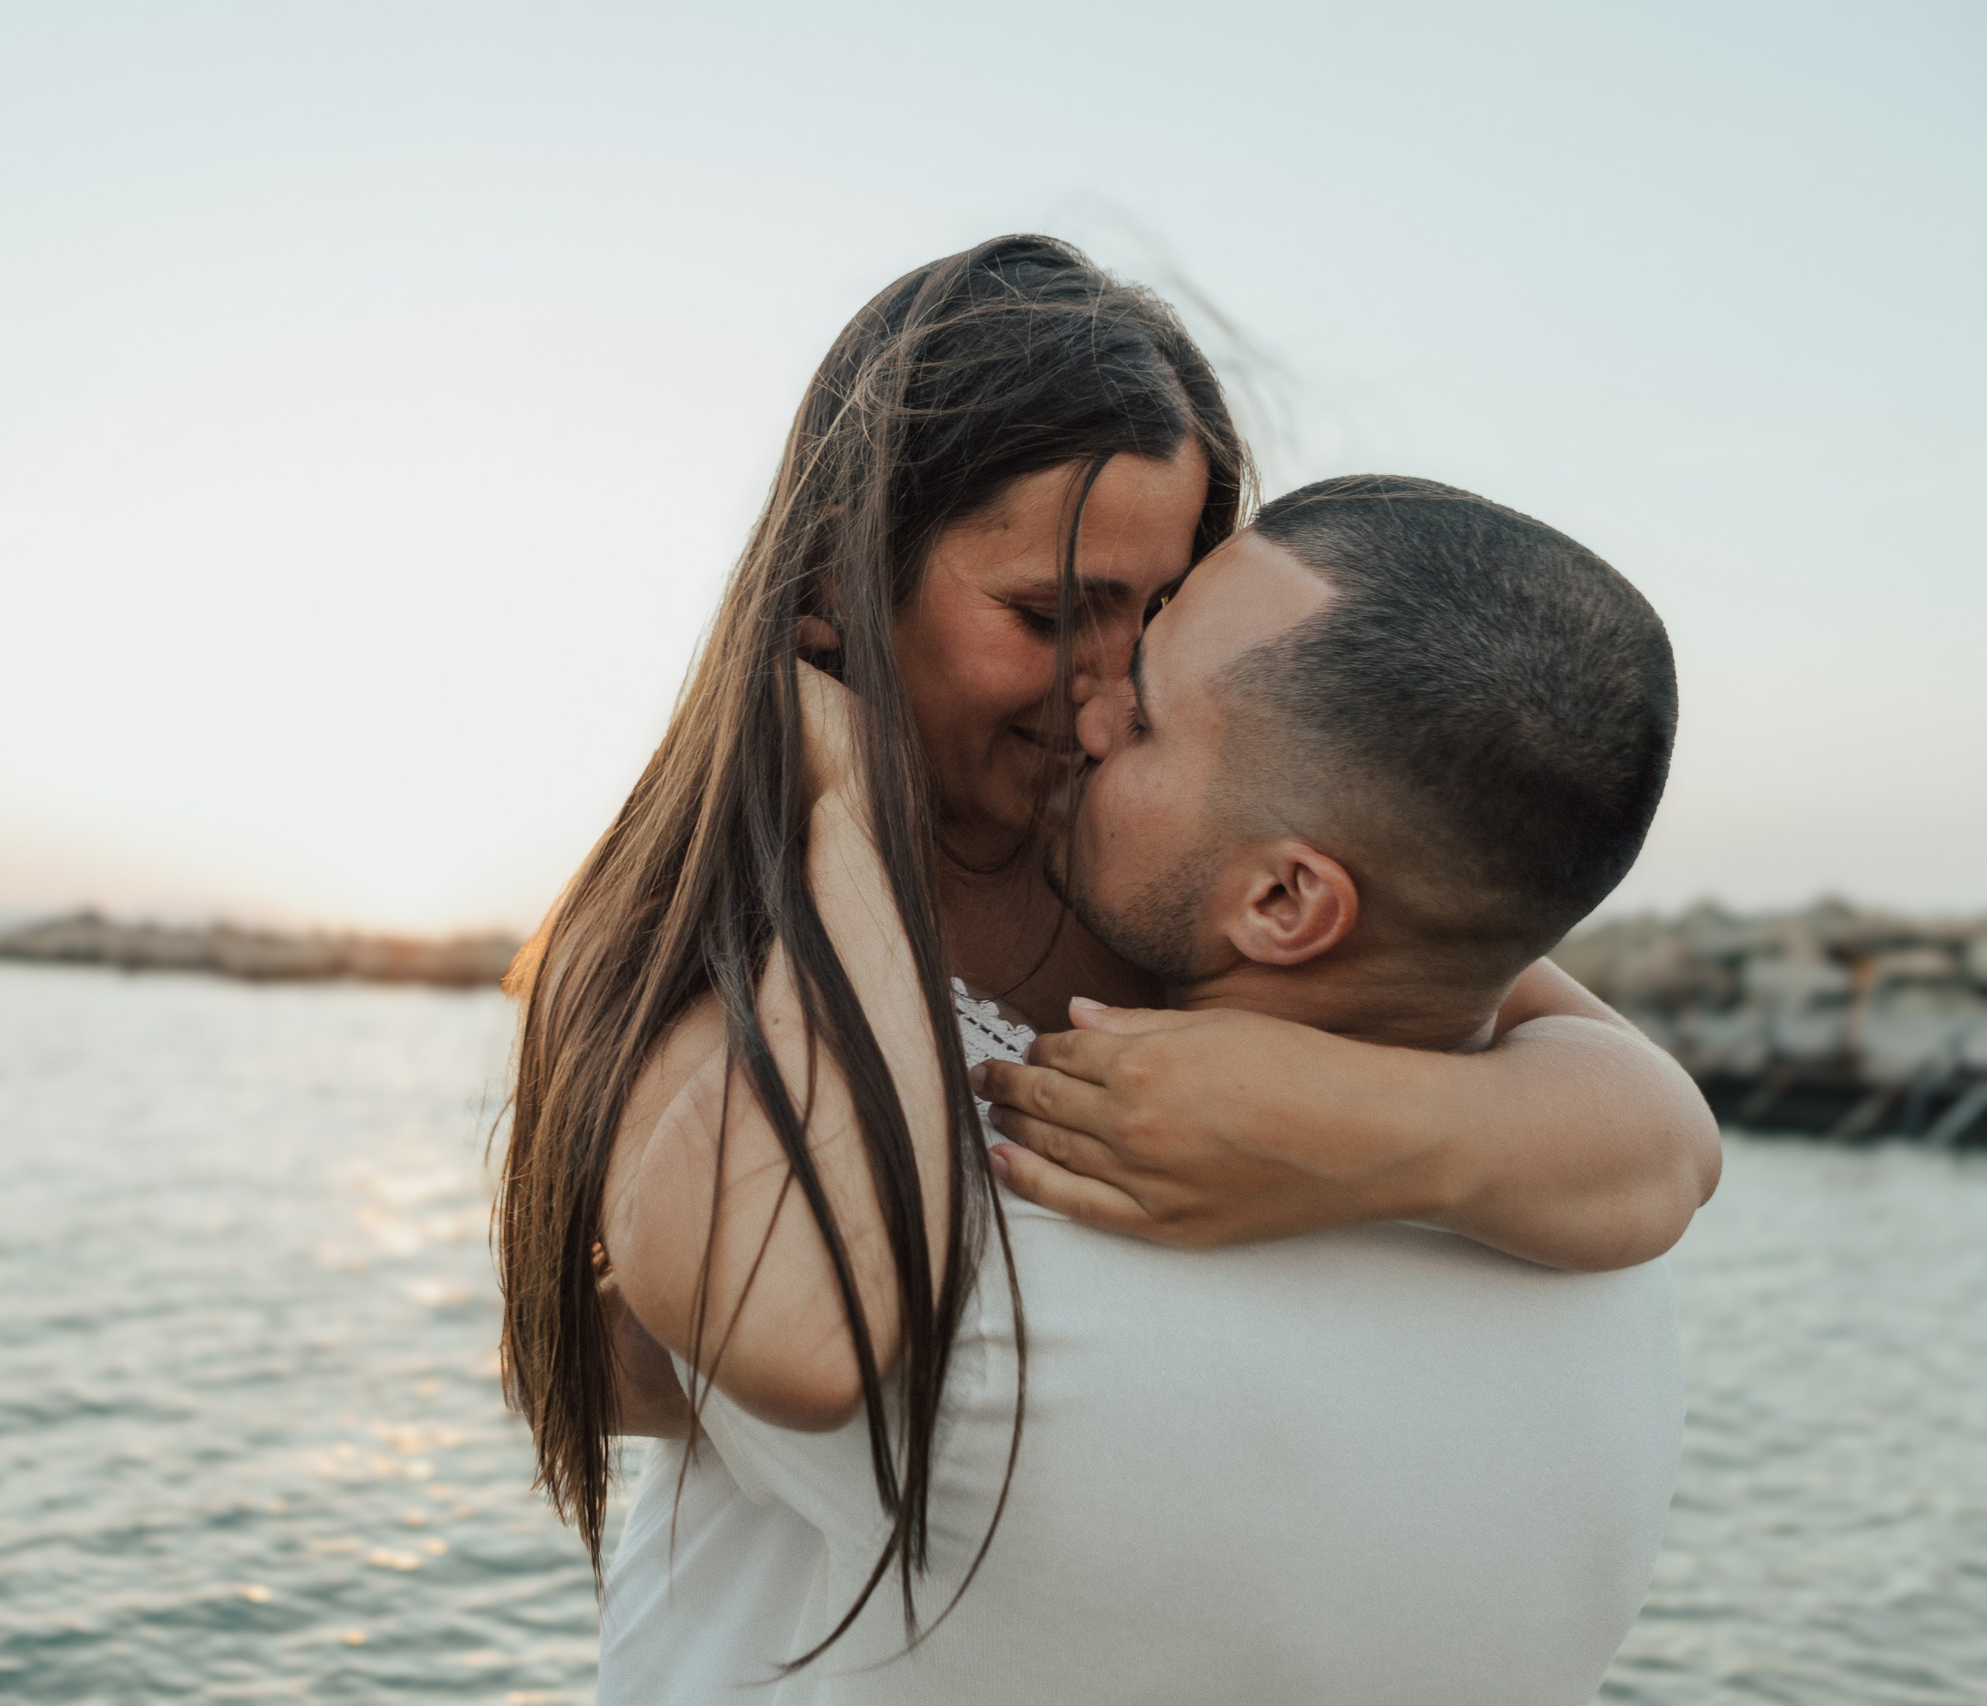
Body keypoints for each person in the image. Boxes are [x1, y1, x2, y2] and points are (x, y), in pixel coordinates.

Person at [492, 237, 1716, 1696]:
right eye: (1054, 611)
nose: (1106, 687)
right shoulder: (702, 942)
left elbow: (1661, 1133)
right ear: (835, 583)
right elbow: (730, 1349)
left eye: (1166, 603)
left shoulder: (1185, 877)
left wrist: (1324, 1124)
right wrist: (839, 817)